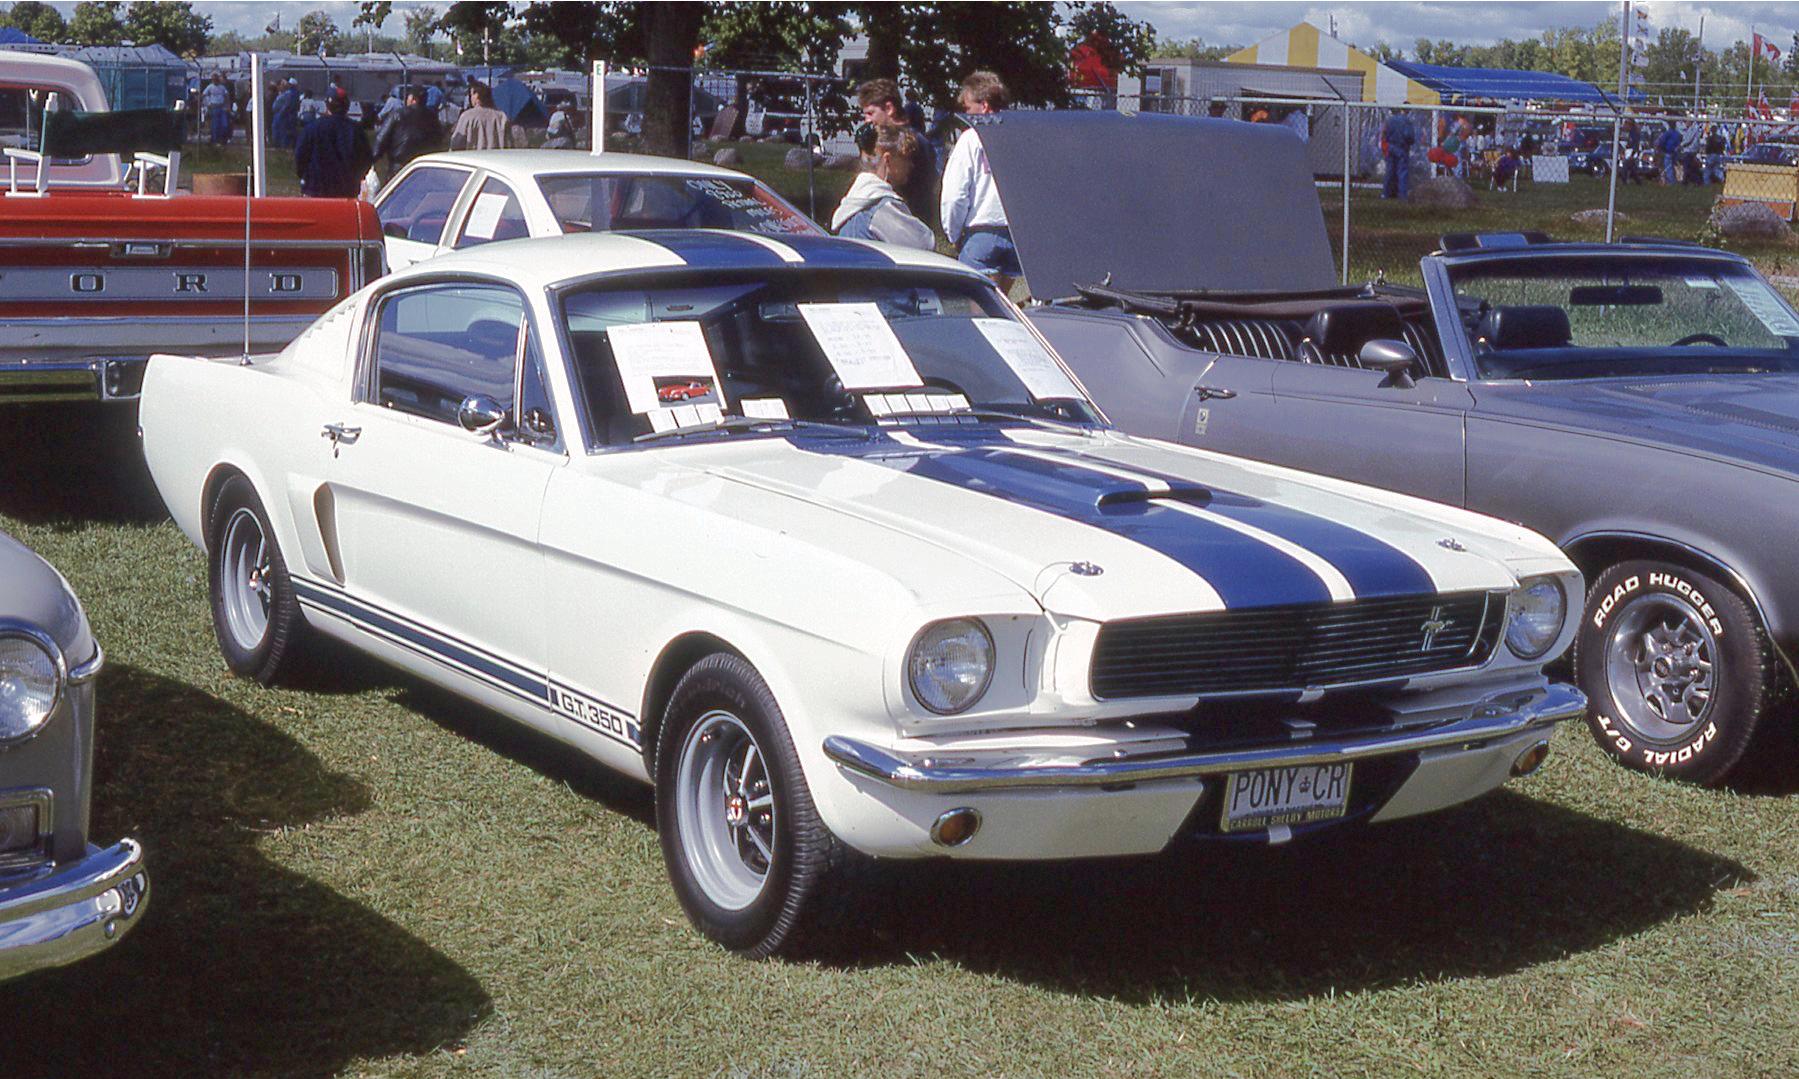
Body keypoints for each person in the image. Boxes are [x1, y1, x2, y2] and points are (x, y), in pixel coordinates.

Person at [940, 70, 1020, 289]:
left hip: (982, 233)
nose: (965, 113)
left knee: (982, 314)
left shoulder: (970, 139)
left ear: (984, 106)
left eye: (967, 107)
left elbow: (954, 196)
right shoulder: (1021, 137)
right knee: (1004, 307)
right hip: (1017, 235)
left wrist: (953, 234)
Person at [832, 124, 934, 250]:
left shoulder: (853, 201)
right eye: (906, 158)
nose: (911, 165)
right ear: (888, 160)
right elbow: (924, 245)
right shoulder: (882, 207)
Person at [857, 78, 937, 223]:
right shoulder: (880, 140)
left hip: (906, 222)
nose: (867, 120)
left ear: (889, 108)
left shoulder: (911, 143)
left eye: (870, 113)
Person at [295, 88, 374, 198]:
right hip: (346, 193)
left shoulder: (312, 129)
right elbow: (366, 160)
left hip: (315, 192)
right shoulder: (355, 130)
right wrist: (355, 179)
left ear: (327, 105)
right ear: (347, 107)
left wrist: (307, 178)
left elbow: (300, 158)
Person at [371, 86, 443, 181]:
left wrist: (371, 160)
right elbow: (439, 142)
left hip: (399, 168)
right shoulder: (433, 118)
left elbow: (381, 139)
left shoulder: (398, 114)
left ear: (413, 99)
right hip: (425, 169)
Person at [449, 81, 518, 150]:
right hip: (497, 158)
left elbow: (456, 143)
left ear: (477, 95)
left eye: (471, 94)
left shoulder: (467, 116)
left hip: (473, 158)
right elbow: (510, 142)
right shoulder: (502, 116)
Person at [1381, 110, 1415, 199]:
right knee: (1402, 172)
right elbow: (1408, 135)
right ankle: (1402, 195)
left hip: (1391, 146)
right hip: (1402, 147)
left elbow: (1384, 134)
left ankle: (1386, 193)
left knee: (1389, 171)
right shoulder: (1406, 121)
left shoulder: (1389, 120)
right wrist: (1410, 142)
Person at [202, 73, 232, 145]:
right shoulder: (210, 87)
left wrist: (228, 106)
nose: (215, 80)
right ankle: (215, 140)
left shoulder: (222, 87)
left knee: (224, 124)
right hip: (214, 107)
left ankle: (222, 139)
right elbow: (203, 95)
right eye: (213, 79)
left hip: (222, 107)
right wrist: (207, 104)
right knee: (215, 125)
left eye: (216, 79)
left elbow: (226, 96)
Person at [270, 78, 300, 149]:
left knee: (284, 132)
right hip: (280, 115)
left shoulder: (291, 93)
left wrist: (281, 113)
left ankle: (283, 147)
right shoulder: (287, 93)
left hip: (284, 116)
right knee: (279, 131)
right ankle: (280, 145)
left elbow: (288, 105)